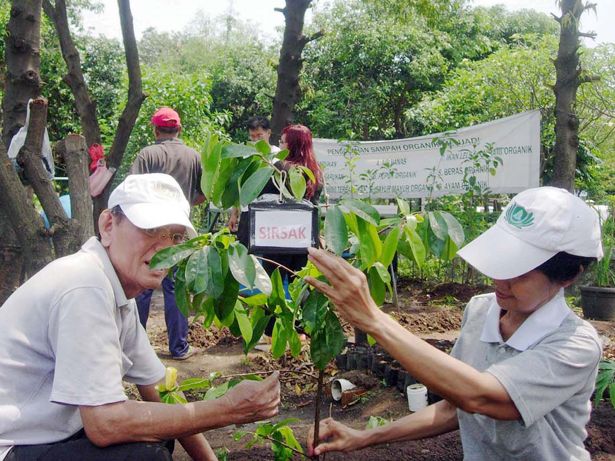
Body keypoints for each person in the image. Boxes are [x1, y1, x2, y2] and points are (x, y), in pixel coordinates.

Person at [305, 186, 603, 460]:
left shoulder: (574, 344)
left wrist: (374, 319)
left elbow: (481, 397)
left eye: (520, 272)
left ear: (568, 276)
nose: (499, 279)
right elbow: (455, 405)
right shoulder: (481, 310)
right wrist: (366, 436)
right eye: (501, 260)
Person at [0, 173, 280, 461]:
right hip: (12, 444)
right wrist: (228, 408)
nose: (164, 248)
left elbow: (159, 390)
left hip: (47, 435)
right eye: (151, 229)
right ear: (108, 225)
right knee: (144, 457)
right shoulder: (85, 285)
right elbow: (105, 424)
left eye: (175, 237)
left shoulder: (115, 291)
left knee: (160, 436)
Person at [130, 107, 204, 360]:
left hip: (150, 228)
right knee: (175, 288)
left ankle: (134, 347)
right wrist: (186, 204)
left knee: (143, 285)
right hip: (179, 229)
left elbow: (133, 189)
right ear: (179, 129)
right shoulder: (194, 156)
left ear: (155, 129)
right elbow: (204, 192)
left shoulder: (147, 154)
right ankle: (179, 347)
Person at [228, 116, 280, 234]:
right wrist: (234, 214)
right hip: (248, 211)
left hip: (271, 212)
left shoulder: (278, 155)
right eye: (252, 136)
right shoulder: (246, 156)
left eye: (259, 135)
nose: (256, 140)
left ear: (268, 133)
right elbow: (240, 187)